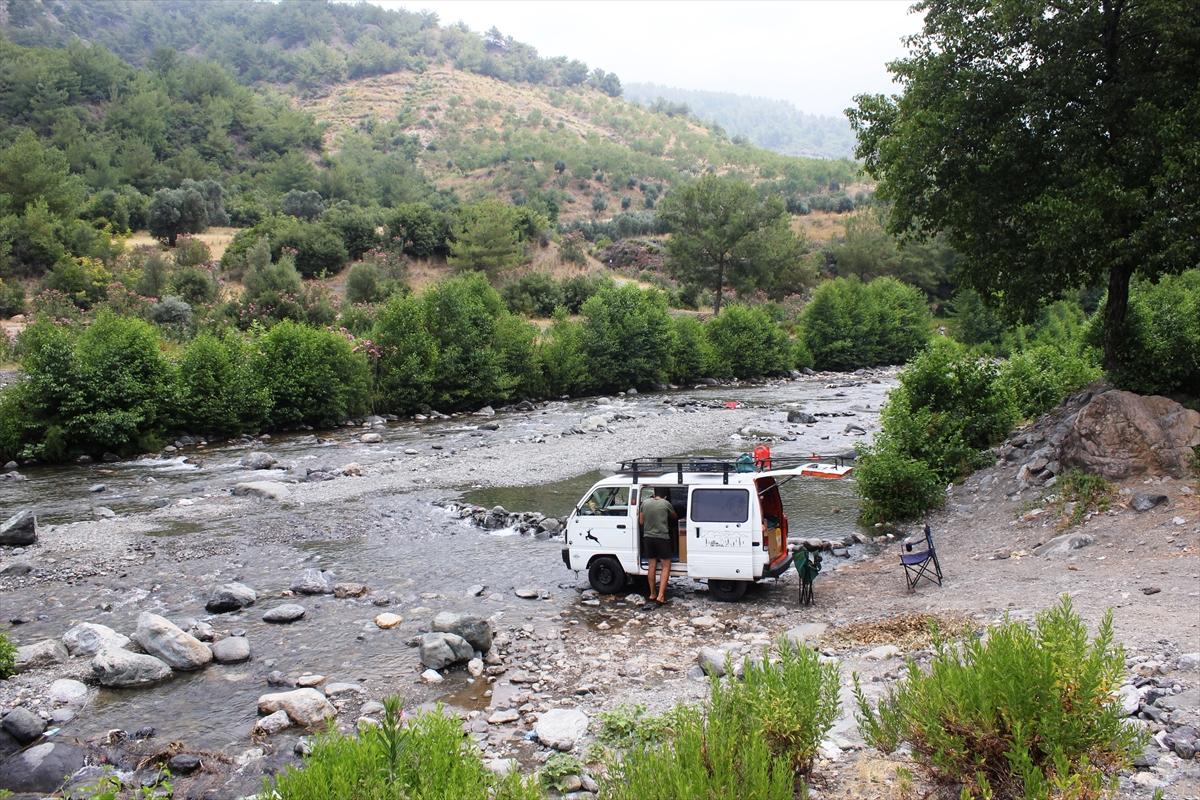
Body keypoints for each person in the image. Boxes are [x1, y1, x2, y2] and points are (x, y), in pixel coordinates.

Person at [639, 488, 678, 604]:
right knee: (666, 565)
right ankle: (661, 596)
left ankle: (652, 593)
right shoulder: (666, 504)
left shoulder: (645, 503)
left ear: (654, 493)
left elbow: (641, 522)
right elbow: (674, 517)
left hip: (648, 538)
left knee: (652, 565)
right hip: (662, 538)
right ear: (665, 496)